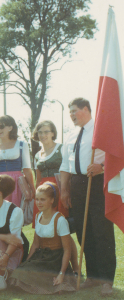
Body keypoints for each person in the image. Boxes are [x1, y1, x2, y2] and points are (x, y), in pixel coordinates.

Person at [60, 97, 116, 296]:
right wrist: (64, 190)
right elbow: (65, 165)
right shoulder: (70, 135)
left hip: (97, 182)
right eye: (70, 112)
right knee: (84, 231)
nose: (72, 115)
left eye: (74, 111)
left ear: (86, 109)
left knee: (101, 230)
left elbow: (118, 155)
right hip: (77, 184)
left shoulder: (102, 129)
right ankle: (92, 275)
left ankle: (106, 279)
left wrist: (102, 167)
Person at [9, 182, 76, 294]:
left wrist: (61, 273)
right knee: (18, 273)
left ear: (52, 200)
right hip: (41, 255)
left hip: (55, 259)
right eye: (37, 199)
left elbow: (67, 250)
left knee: (32, 276)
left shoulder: (60, 220)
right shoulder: (38, 216)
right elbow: (35, 244)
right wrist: (27, 262)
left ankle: (56, 281)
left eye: (42, 200)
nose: (38, 203)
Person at [32, 120, 79, 273]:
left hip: (58, 190)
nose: (43, 135)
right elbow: (38, 178)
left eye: (46, 131)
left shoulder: (61, 148)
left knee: (64, 230)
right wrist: (37, 196)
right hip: (43, 193)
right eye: (40, 132)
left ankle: (76, 267)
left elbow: (68, 170)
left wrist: (66, 192)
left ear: (53, 133)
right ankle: (50, 263)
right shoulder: (37, 154)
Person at [0, 115, 35, 207]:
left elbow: (27, 169)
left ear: (10, 127)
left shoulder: (21, 144)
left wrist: (32, 189)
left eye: (1, 126)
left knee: (16, 212)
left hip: (16, 184)